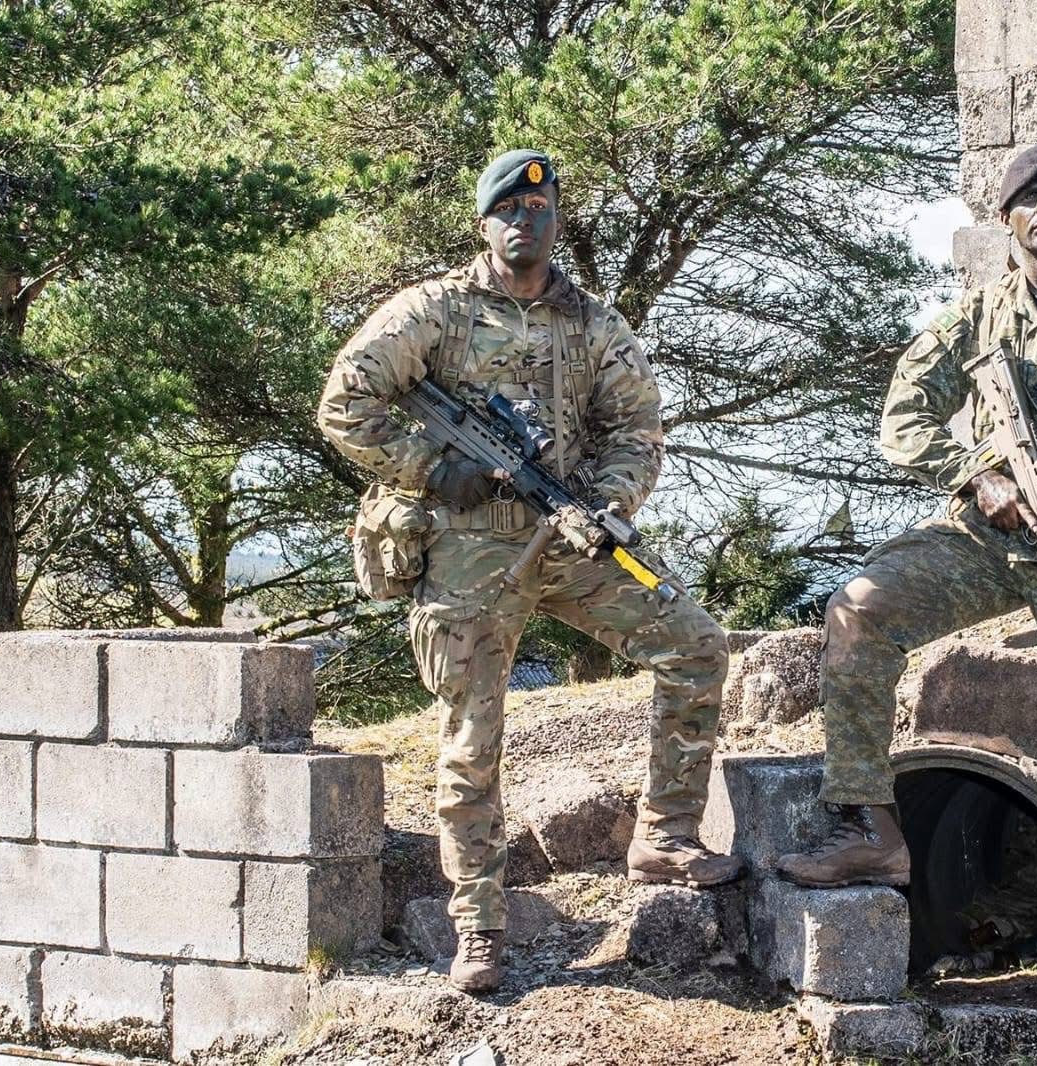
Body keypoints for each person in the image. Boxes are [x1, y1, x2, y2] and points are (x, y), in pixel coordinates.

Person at [775, 143, 1037, 1006]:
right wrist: (977, 474)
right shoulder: (977, 315)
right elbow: (902, 418)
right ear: (1006, 218)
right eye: (1030, 198)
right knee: (858, 608)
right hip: (994, 530)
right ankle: (870, 825)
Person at [317, 149, 742, 994]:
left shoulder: (594, 323)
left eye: (539, 209)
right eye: (509, 208)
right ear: (485, 223)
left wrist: (608, 506)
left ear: (556, 222)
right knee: (473, 738)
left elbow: (637, 429)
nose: (525, 221)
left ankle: (665, 835)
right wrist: (433, 469)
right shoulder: (434, 310)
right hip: (468, 548)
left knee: (696, 645)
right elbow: (345, 404)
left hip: (567, 535)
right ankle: (478, 924)